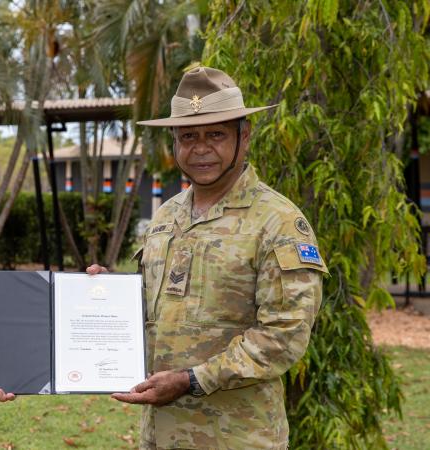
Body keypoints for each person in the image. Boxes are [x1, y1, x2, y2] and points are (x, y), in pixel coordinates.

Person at [87, 66, 328, 449]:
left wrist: (191, 380)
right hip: (160, 436)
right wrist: (103, 297)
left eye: (215, 134)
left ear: (244, 137)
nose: (200, 148)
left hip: (237, 438)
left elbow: (283, 337)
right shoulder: (166, 217)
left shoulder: (277, 222)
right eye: (188, 136)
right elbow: (152, 311)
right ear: (174, 142)